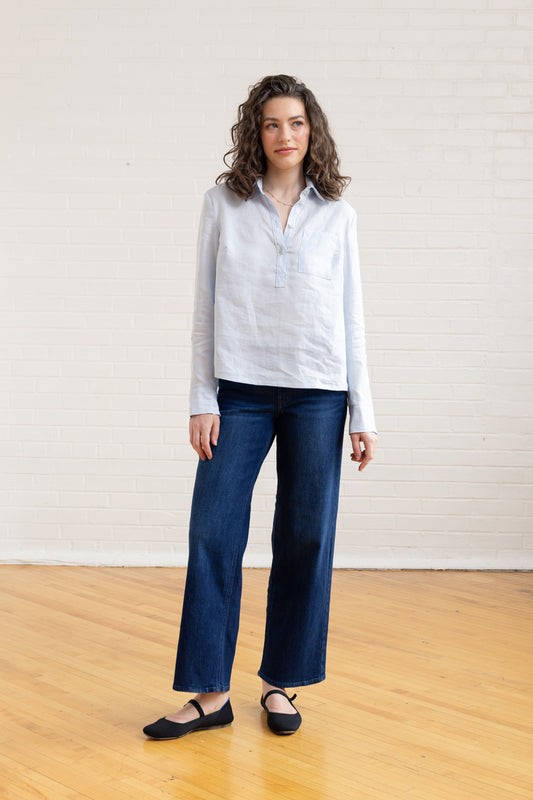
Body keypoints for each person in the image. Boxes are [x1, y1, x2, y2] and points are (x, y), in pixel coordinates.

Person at [143, 74, 377, 740]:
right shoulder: (223, 203)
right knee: (213, 531)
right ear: (256, 131)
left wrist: (363, 413)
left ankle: (282, 682)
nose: (284, 135)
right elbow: (203, 306)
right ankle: (210, 693)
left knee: (306, 536)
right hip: (238, 392)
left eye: (296, 122)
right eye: (272, 123)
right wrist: (201, 397)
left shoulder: (338, 214)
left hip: (319, 392)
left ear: (312, 130)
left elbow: (351, 318)